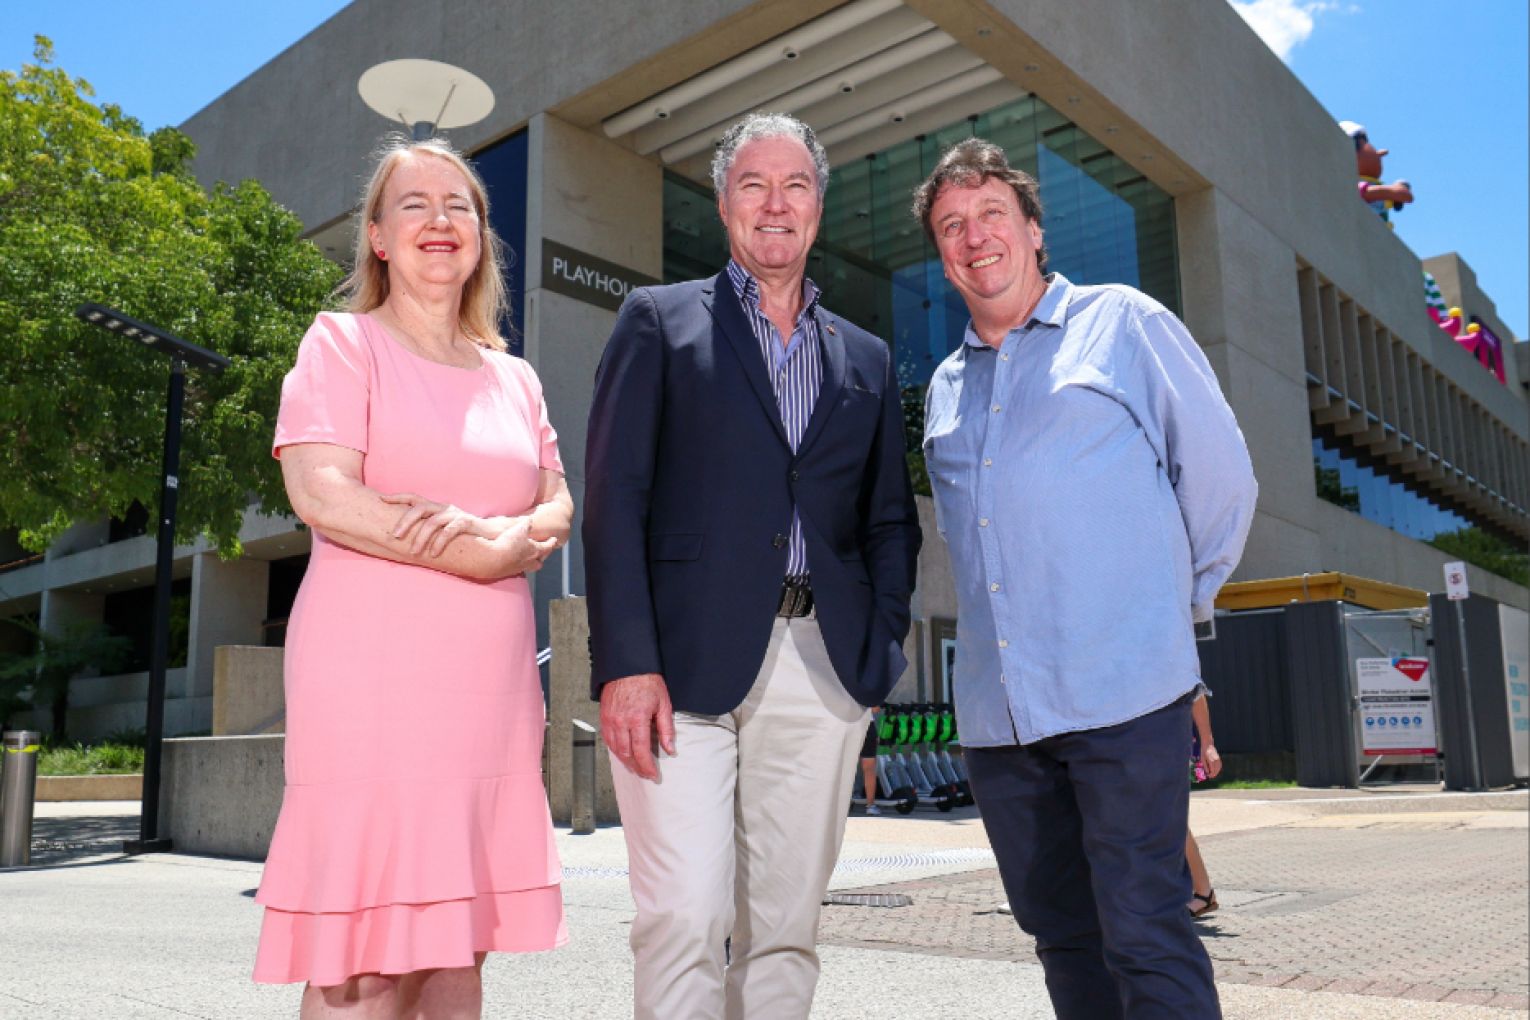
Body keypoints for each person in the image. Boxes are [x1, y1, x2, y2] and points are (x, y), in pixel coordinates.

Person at [584, 111, 920, 1020]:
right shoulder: (657, 322)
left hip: (821, 670)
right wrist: (623, 662)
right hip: (678, 670)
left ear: (818, 207)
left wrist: (874, 656)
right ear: (723, 202)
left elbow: (890, 520)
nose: (775, 205)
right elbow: (615, 499)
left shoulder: (869, 357)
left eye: (796, 186)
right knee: (684, 915)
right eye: (753, 185)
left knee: (784, 927)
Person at [914, 138, 1257, 1020]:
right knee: (1060, 935)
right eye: (952, 224)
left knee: (1145, 930)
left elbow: (1220, 480)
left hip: (1124, 696)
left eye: (992, 214)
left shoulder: (1126, 325)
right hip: (1002, 720)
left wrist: (1170, 615)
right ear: (941, 252)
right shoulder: (946, 386)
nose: (974, 236)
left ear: (1032, 230)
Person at [254, 136, 572, 1017]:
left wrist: (510, 534)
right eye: (415, 204)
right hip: (373, 688)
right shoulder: (342, 345)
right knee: (366, 963)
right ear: (379, 237)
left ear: (480, 234)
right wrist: (481, 548)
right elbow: (324, 492)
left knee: (455, 954)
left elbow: (557, 503)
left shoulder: (516, 378)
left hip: (490, 697)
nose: (440, 220)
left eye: (459, 204)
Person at [1187, 693, 1224, 918]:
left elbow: (1195, 690)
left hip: (1166, 744)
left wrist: (1208, 743)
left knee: (1171, 821)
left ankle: (1203, 891)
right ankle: (1202, 891)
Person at [860, 706, 883, 815]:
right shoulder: (867, 687)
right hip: (866, 725)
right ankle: (870, 805)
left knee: (842, 766)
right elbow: (875, 708)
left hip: (845, 723)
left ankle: (838, 804)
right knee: (869, 768)